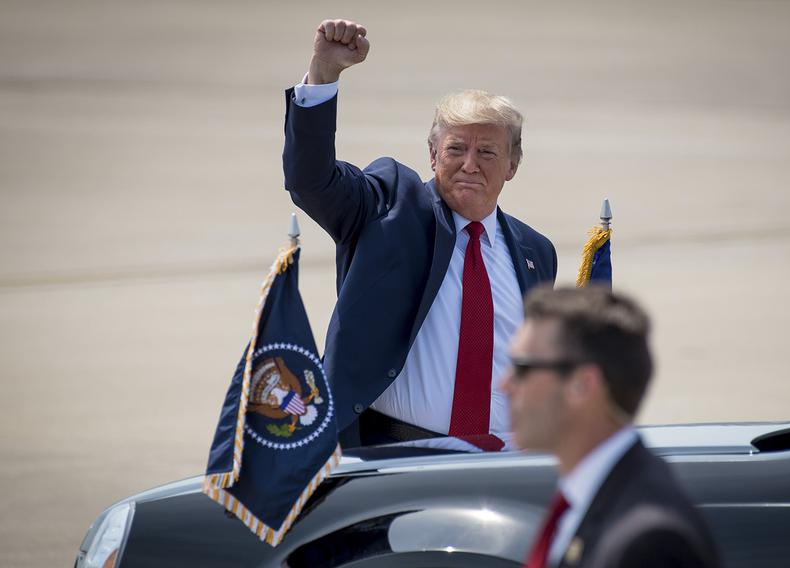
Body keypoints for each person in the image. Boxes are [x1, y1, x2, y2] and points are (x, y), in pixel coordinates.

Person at [283, 19, 557, 446]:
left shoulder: (536, 252)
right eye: (455, 148)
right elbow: (310, 181)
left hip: (503, 461)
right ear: (432, 154)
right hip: (398, 456)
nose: (470, 164)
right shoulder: (389, 205)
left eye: (487, 151)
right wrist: (323, 77)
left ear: (512, 165)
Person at [502, 286, 720, 568]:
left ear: (583, 385)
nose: (504, 384)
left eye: (522, 368)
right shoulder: (591, 500)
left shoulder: (648, 542)